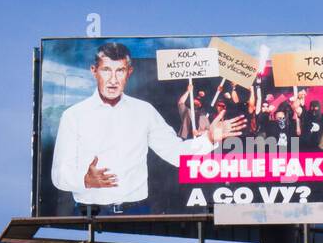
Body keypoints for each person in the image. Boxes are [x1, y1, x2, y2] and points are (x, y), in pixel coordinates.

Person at [51, 41, 245, 213]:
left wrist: (209, 139)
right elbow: (59, 175)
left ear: (129, 72)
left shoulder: (144, 111)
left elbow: (175, 153)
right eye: (106, 70)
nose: (113, 79)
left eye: (120, 71)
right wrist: (85, 180)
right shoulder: (74, 116)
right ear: (94, 71)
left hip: (137, 213)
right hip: (89, 217)